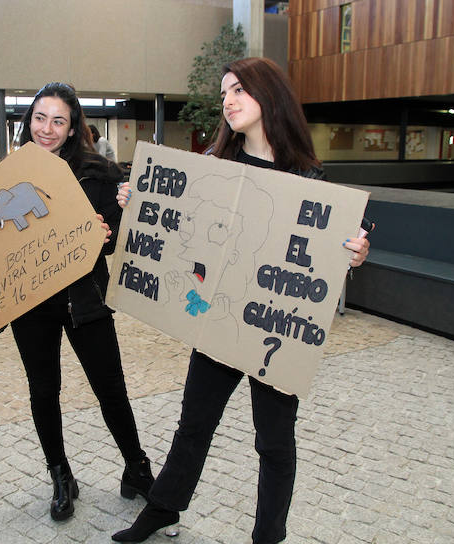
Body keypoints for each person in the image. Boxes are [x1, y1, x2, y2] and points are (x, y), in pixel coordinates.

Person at [111, 58, 371, 544]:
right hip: (218, 319)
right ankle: (163, 508)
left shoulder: (308, 178)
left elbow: (319, 260)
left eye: (238, 90)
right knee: (194, 424)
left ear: (268, 94)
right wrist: (137, 200)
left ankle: (268, 536)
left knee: (274, 441)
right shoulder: (213, 165)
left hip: (272, 329)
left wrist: (353, 254)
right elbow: (181, 231)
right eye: (224, 93)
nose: (228, 101)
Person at [0, 82, 154, 522]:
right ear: (29, 121)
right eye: (40, 118)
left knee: (110, 388)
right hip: (31, 304)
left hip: (86, 299)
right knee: (44, 390)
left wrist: (110, 228)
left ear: (72, 127)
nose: (47, 128)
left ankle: (137, 469)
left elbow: (117, 236)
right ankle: (61, 475)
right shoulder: (8, 175)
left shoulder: (99, 173)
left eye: (58, 121)